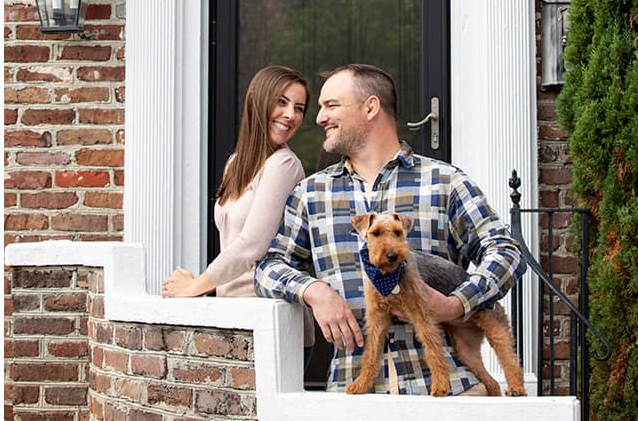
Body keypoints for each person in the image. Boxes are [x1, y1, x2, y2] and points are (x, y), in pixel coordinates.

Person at [254, 63, 523, 395]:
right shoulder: (311, 195)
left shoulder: (443, 182)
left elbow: (505, 250)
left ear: (371, 107)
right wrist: (314, 291)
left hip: (449, 394)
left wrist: (457, 304)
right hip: (353, 395)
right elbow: (268, 268)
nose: (319, 118)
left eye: (331, 106)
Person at [161, 65, 308, 300]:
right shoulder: (236, 163)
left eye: (298, 108)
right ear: (256, 101)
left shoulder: (283, 165)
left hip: (264, 308)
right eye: (282, 102)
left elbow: (251, 246)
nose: (291, 115)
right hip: (231, 306)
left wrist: (194, 286)